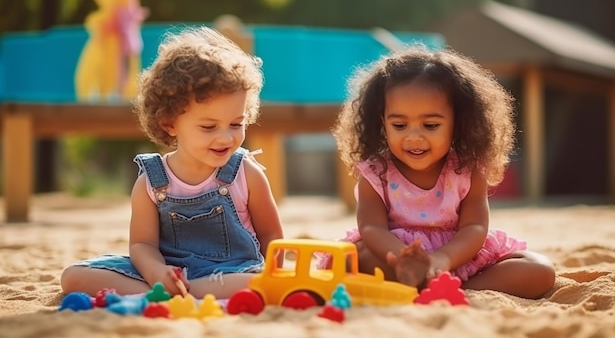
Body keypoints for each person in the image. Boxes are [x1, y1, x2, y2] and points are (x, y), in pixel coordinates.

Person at [61, 26, 284, 299]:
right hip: (167, 271)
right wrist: (156, 272)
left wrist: (276, 274)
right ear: (169, 124)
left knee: (257, 282)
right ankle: (167, 291)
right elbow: (142, 244)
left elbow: (271, 235)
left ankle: (167, 295)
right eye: (208, 127)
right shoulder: (152, 182)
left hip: (231, 272)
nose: (226, 137)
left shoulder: (245, 173)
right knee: (73, 276)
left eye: (236, 124)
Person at [323, 45, 555, 299]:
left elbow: (475, 226)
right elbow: (371, 228)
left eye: (430, 125)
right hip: (394, 258)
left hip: (459, 258)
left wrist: (443, 258)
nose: (413, 136)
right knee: (353, 257)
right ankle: (422, 285)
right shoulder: (376, 172)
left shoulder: (468, 169)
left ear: (458, 123)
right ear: (382, 123)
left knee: (539, 270)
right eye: (399, 125)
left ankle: (452, 289)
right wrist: (403, 258)